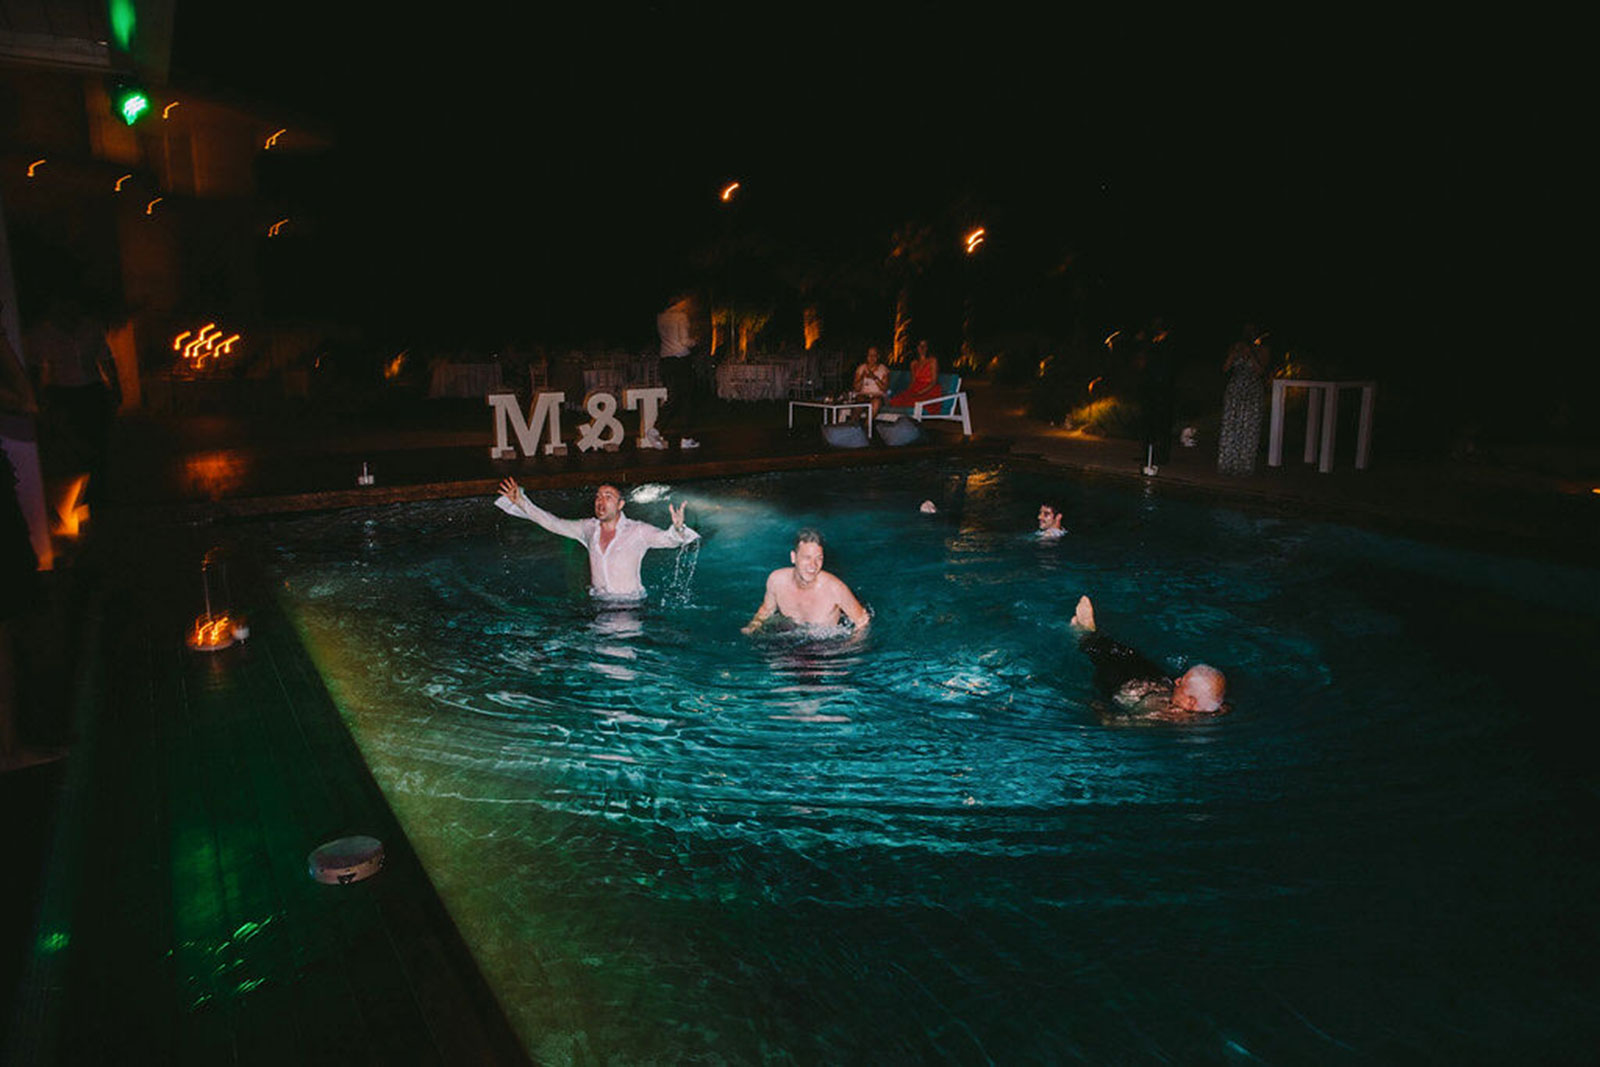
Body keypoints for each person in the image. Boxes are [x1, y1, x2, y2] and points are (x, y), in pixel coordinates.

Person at [496, 478, 697, 599]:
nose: (601, 501)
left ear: (620, 505)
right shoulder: (588, 529)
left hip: (628, 607)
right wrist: (522, 502)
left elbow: (668, 539)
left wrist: (678, 528)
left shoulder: (637, 531)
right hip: (598, 603)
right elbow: (553, 523)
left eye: (608, 497)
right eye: (598, 497)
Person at [1069, 595, 1227, 722]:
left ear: (1191, 702)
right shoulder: (1216, 709)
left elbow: (1113, 722)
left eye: (1182, 682)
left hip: (1125, 688)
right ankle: (1093, 635)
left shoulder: (1165, 717)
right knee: (1128, 654)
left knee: (1104, 659)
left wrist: (1095, 707)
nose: (1177, 680)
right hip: (1154, 682)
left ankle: (1084, 635)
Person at [742, 527, 870, 634]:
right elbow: (766, 610)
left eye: (819, 558)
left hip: (826, 647)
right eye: (807, 558)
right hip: (790, 636)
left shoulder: (835, 589)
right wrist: (752, 626)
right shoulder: (776, 581)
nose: (813, 565)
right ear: (793, 557)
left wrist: (850, 646)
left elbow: (862, 621)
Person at [1217, 323, 1272, 476]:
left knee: (1249, 427)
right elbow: (1225, 368)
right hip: (1235, 389)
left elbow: (1261, 371)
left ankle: (1244, 466)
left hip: (1252, 390)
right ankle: (1227, 463)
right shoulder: (1237, 347)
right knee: (1230, 425)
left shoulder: (1263, 349)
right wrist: (1234, 354)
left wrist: (1251, 354)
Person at [656, 293, 698, 447]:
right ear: (680, 303)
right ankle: (660, 429)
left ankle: (684, 436)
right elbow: (684, 341)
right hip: (680, 361)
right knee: (684, 399)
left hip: (666, 360)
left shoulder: (660, 317)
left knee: (675, 396)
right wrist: (695, 341)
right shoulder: (681, 317)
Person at [886, 340, 939, 407]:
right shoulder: (913, 363)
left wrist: (922, 392)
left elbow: (934, 381)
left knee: (915, 402)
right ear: (917, 348)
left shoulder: (932, 361)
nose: (922, 348)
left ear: (927, 348)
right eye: (920, 346)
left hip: (929, 389)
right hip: (916, 387)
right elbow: (913, 381)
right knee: (897, 400)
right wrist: (909, 392)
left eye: (924, 346)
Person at [851, 345, 890, 415]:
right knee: (858, 403)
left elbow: (884, 388)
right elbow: (856, 388)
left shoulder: (883, 369)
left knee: (876, 402)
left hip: (878, 396)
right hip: (863, 395)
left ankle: (868, 422)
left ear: (878, 356)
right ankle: (854, 421)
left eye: (874, 355)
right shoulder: (861, 368)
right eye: (870, 355)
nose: (872, 358)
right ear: (867, 356)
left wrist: (874, 378)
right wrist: (862, 377)